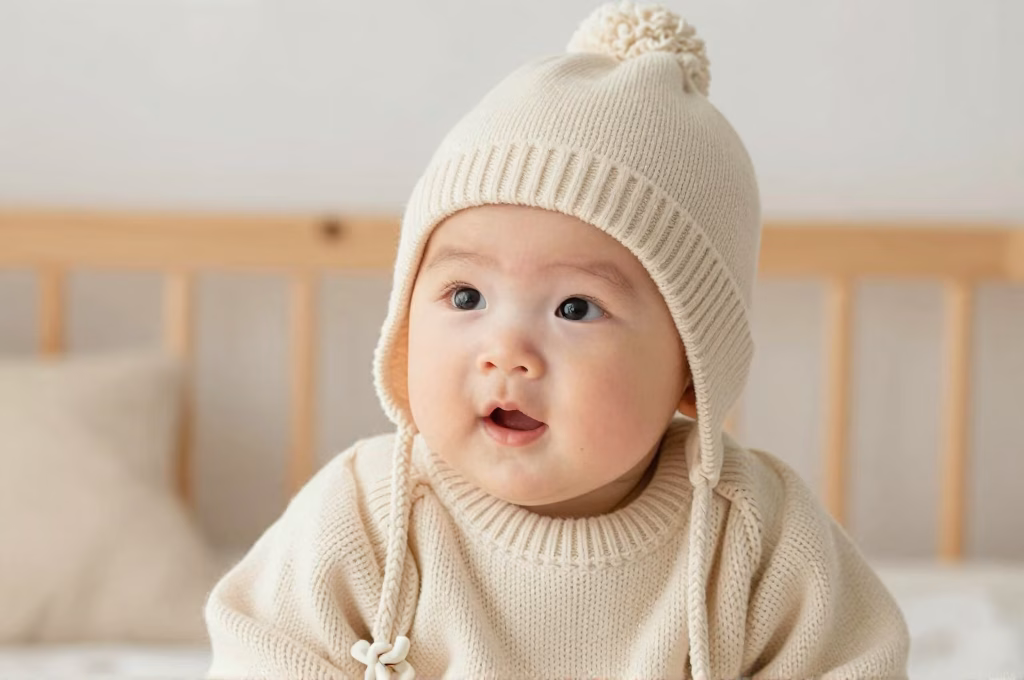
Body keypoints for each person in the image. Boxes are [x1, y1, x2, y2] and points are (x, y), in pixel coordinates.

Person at [204, 3, 910, 678]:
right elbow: (261, 653)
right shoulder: (364, 514)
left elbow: (856, 662)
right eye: (466, 296)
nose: (506, 351)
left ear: (694, 365)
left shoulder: (756, 536)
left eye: (576, 307)